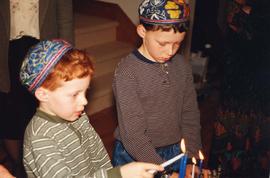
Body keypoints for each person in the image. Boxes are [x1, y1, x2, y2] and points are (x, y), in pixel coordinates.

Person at [19, 39, 163, 178]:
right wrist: (118, 175)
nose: (84, 101)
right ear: (43, 94)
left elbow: (98, 157)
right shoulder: (40, 138)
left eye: (85, 91)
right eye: (75, 94)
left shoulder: (78, 115)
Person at [112, 0, 202, 177]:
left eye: (177, 44)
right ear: (142, 31)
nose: (170, 51)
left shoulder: (181, 66)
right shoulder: (127, 73)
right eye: (162, 43)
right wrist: (163, 172)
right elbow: (133, 134)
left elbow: (190, 114)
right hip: (135, 156)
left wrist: (191, 157)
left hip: (176, 150)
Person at [0, 0, 74, 176]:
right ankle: (20, 165)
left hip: (44, 50)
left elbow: (65, 19)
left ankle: (37, 163)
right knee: (10, 113)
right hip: (7, 50)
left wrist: (67, 59)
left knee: (38, 112)